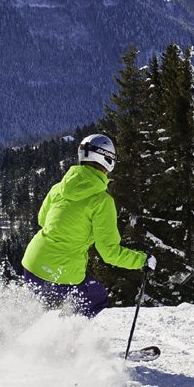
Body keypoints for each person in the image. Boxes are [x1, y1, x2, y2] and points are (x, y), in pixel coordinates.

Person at [20, 134, 154, 316]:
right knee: (95, 298)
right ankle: (62, 343)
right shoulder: (101, 201)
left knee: (31, 312)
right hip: (62, 272)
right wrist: (142, 260)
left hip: (32, 263)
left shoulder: (59, 188)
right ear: (108, 160)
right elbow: (109, 253)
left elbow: (42, 220)